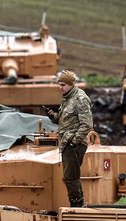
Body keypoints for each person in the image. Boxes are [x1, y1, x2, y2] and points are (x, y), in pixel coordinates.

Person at [44, 70, 93, 207]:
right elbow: (62, 120)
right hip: (67, 143)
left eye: (63, 85)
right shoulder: (68, 98)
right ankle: (78, 203)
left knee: (70, 177)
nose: (60, 87)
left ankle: (76, 205)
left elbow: (87, 124)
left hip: (74, 144)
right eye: (59, 84)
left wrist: (74, 141)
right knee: (71, 177)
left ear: (71, 84)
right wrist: (52, 115)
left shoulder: (80, 99)